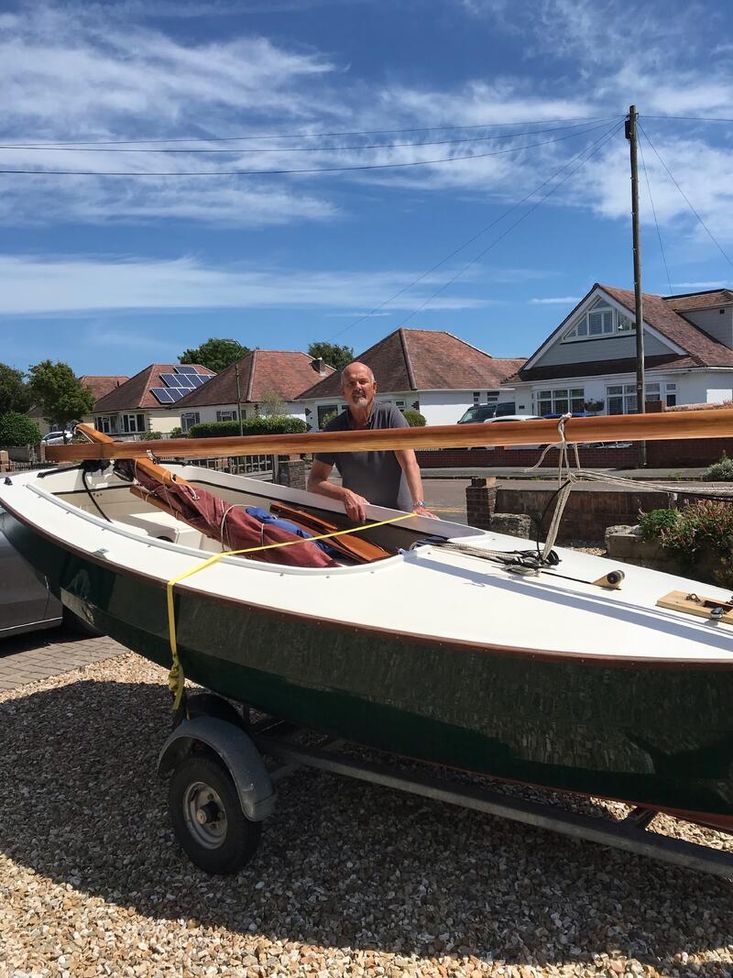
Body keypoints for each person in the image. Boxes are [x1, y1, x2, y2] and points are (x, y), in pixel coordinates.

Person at [307, 361, 435, 521]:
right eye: (351, 384)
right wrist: (344, 494)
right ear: (343, 392)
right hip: (359, 520)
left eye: (363, 381)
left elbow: (409, 463)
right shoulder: (334, 429)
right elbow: (314, 482)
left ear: (374, 388)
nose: (357, 387)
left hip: (400, 520)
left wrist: (419, 505)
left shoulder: (390, 416)